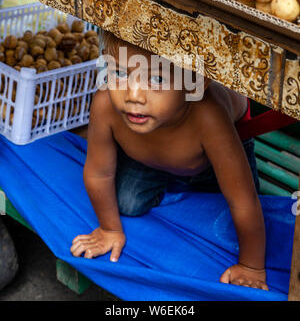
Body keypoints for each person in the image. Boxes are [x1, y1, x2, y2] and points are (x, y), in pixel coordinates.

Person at [71, 31, 268, 291]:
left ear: (195, 83)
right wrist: (109, 229)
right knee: (125, 204)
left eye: (156, 79)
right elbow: (99, 173)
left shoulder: (208, 116)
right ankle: (169, 175)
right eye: (119, 74)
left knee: (237, 216)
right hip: (149, 157)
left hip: (213, 158)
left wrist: (251, 266)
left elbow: (243, 200)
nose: (134, 95)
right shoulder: (105, 103)